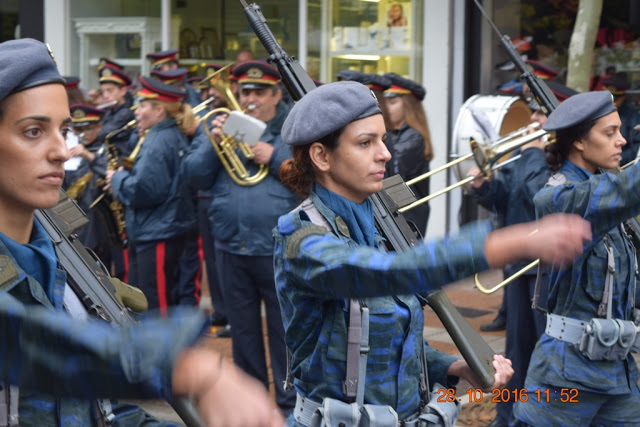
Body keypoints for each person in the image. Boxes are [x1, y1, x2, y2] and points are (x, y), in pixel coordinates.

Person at [0, 37, 283, 427]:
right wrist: (186, 366)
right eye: (33, 131)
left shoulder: (57, 259)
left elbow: (106, 413)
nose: (61, 151)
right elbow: (25, 341)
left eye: (63, 130)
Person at [273, 81, 591, 427]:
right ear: (321, 156)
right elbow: (386, 273)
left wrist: (452, 366)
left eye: (383, 139)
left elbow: (386, 338)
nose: (385, 154)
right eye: (366, 142)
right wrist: (510, 243)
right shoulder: (301, 239)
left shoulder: (377, 231)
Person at [512, 91, 640, 426]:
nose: (622, 140)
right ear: (580, 142)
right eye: (609, 132)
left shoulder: (610, 195)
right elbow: (625, 191)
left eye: (619, 131)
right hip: (565, 374)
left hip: (616, 367)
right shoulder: (558, 197)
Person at [181, 60, 299, 415]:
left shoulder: (292, 131)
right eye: (244, 91)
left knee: (285, 331)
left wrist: (274, 155)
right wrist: (211, 142)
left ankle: (289, 402)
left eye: (259, 92)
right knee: (244, 330)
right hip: (232, 245)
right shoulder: (225, 127)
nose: (249, 99)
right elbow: (193, 176)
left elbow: (311, 181)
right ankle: (253, 402)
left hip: (278, 246)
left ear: (277, 95)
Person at [468, 82, 578, 427]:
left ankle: (542, 415)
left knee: (545, 351)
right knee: (515, 350)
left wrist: (531, 151)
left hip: (546, 268)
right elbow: (506, 199)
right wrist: (484, 188)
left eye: (539, 112)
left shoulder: (561, 158)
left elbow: (539, 197)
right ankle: (507, 416)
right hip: (520, 264)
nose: (532, 118)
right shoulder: (524, 156)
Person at [106, 76, 196, 315]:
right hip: (161, 227)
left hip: (156, 230)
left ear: (159, 111)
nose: (137, 111)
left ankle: (162, 352)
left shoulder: (158, 140)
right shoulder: (166, 134)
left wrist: (116, 178)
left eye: (143, 105)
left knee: (155, 304)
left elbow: (142, 190)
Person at [382, 73, 433, 234]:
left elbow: (391, 168)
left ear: (408, 106)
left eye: (392, 102)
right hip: (395, 212)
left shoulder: (413, 137)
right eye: (385, 102)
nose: (386, 107)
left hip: (408, 217)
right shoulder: (391, 134)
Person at [63, 104, 113, 267]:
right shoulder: (70, 150)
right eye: (77, 130)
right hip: (77, 219)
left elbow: (109, 172)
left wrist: (88, 155)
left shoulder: (106, 147)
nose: (81, 134)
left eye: (86, 129)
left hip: (99, 222)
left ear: (99, 127)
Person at [96, 64, 135, 158]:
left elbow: (101, 134)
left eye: (110, 91)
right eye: (103, 92)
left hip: (119, 157)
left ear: (123, 91)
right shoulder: (109, 110)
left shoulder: (126, 113)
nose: (105, 96)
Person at [601, 75, 640, 166]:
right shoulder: (596, 113)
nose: (612, 103)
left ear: (624, 97)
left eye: (616, 99)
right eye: (609, 99)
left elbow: (635, 147)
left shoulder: (632, 116)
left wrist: (619, 159)